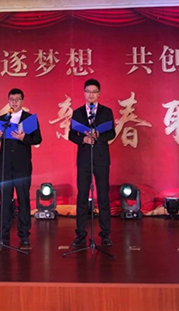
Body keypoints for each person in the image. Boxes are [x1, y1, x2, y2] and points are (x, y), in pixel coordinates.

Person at [0, 88, 42, 246]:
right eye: (12, 99)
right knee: (5, 200)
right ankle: (3, 234)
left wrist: (24, 137)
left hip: (22, 165)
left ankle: (24, 234)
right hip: (5, 165)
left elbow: (38, 139)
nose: (14, 102)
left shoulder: (29, 119)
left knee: (23, 198)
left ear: (22, 101)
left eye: (17, 99)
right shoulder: (3, 119)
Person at [68, 79, 116, 248]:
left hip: (101, 158)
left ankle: (105, 234)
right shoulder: (78, 113)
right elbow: (71, 135)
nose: (91, 94)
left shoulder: (106, 112)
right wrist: (84, 140)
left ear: (99, 94)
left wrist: (98, 136)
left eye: (94, 92)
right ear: (84, 93)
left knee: (103, 197)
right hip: (84, 159)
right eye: (88, 91)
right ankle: (80, 234)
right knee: (82, 197)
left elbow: (112, 133)